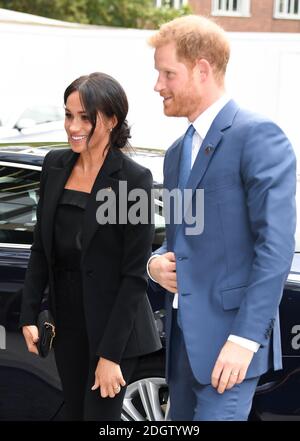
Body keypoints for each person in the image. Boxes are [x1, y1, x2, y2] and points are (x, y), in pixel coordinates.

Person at [147, 15, 296, 421]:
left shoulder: (258, 136)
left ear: (202, 70)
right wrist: (155, 263)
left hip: (232, 348)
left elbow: (276, 247)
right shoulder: (177, 152)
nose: (157, 85)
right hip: (182, 349)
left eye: (167, 73)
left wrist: (245, 339)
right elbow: (176, 239)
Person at [19, 72, 161, 421]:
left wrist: (110, 355)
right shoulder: (54, 165)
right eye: (69, 115)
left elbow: (133, 277)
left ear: (111, 120)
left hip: (113, 329)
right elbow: (41, 248)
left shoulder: (133, 179)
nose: (73, 126)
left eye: (85, 117)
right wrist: (29, 314)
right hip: (67, 323)